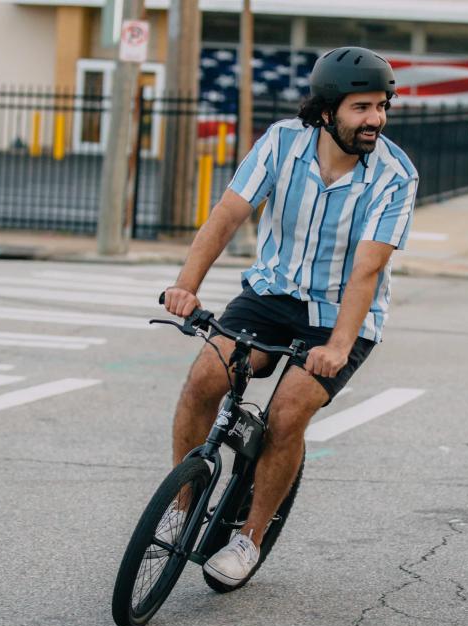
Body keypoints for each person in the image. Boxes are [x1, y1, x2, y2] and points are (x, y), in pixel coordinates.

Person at [163, 46, 418, 587]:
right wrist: (186, 286)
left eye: (382, 106)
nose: (376, 119)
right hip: (273, 293)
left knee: (287, 413)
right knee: (204, 378)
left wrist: (338, 345)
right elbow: (228, 214)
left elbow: (366, 271)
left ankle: (247, 540)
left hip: (340, 315)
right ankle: (183, 509)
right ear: (326, 111)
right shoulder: (282, 142)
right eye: (362, 108)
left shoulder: (396, 176)